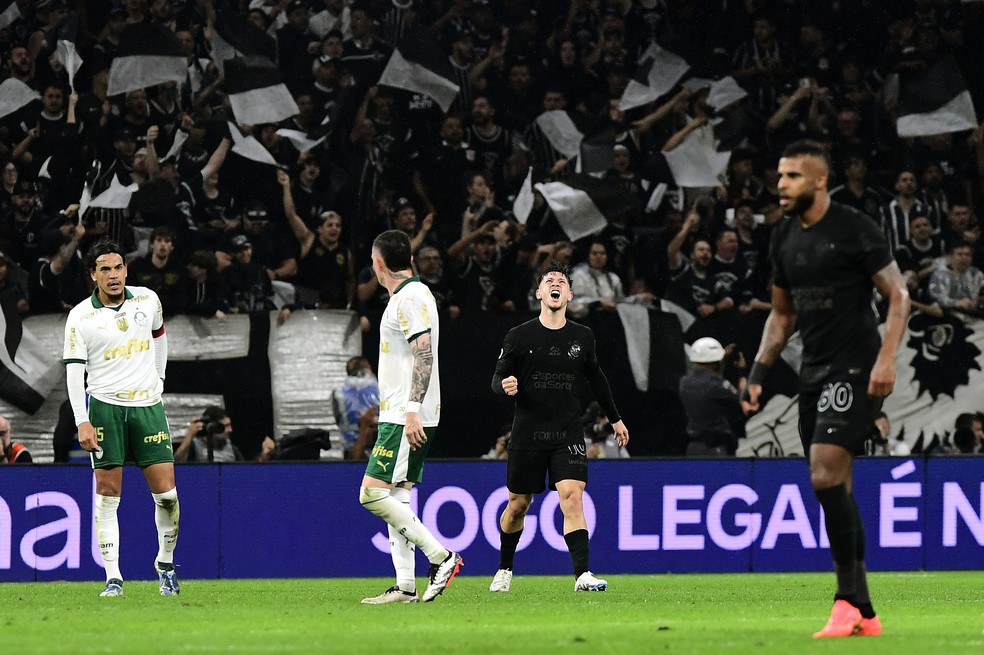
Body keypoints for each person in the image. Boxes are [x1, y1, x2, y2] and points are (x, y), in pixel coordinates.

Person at [742, 140, 910, 638]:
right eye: (779, 177)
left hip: (856, 367)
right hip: (811, 373)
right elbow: (782, 314)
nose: (781, 185)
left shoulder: (854, 228)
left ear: (819, 180)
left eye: (792, 176)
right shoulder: (783, 239)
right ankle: (865, 612)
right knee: (837, 482)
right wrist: (757, 374)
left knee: (822, 473)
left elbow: (898, 295)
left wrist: (886, 359)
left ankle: (843, 602)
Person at [489, 262, 629, 593]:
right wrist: (504, 385)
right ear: (539, 293)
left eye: (561, 281)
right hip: (527, 433)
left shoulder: (583, 337)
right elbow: (497, 378)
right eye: (549, 280)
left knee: (572, 497)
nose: (555, 284)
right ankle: (505, 568)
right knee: (517, 506)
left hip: (567, 431)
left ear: (568, 294)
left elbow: (597, 380)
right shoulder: (519, 336)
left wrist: (615, 417)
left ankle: (582, 575)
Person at [62, 238, 181, 598]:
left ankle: (166, 564)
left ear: (126, 269)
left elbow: (159, 336)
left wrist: (159, 377)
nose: (113, 276)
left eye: (118, 268)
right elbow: (73, 372)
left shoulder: (148, 300)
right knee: (108, 496)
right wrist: (81, 420)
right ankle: (113, 577)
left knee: (168, 496)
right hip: (104, 408)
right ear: (93, 275)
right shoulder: (81, 316)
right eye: (105, 269)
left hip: (148, 407)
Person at [358, 229, 462, 604]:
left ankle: (441, 556)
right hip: (404, 411)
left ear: (379, 263)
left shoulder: (411, 298)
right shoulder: (407, 296)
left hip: (407, 414)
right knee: (398, 496)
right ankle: (405, 586)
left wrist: (412, 411)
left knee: (371, 494)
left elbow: (423, 353)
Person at [679, 338, 746, 456]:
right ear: (715, 362)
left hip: (694, 447)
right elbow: (741, 402)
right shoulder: (716, 384)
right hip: (716, 448)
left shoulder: (685, 382)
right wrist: (742, 373)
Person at [173, 406, 243, 463]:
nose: (230, 430)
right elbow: (177, 464)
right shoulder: (195, 446)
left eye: (230, 425)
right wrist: (189, 436)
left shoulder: (231, 448)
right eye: (226, 426)